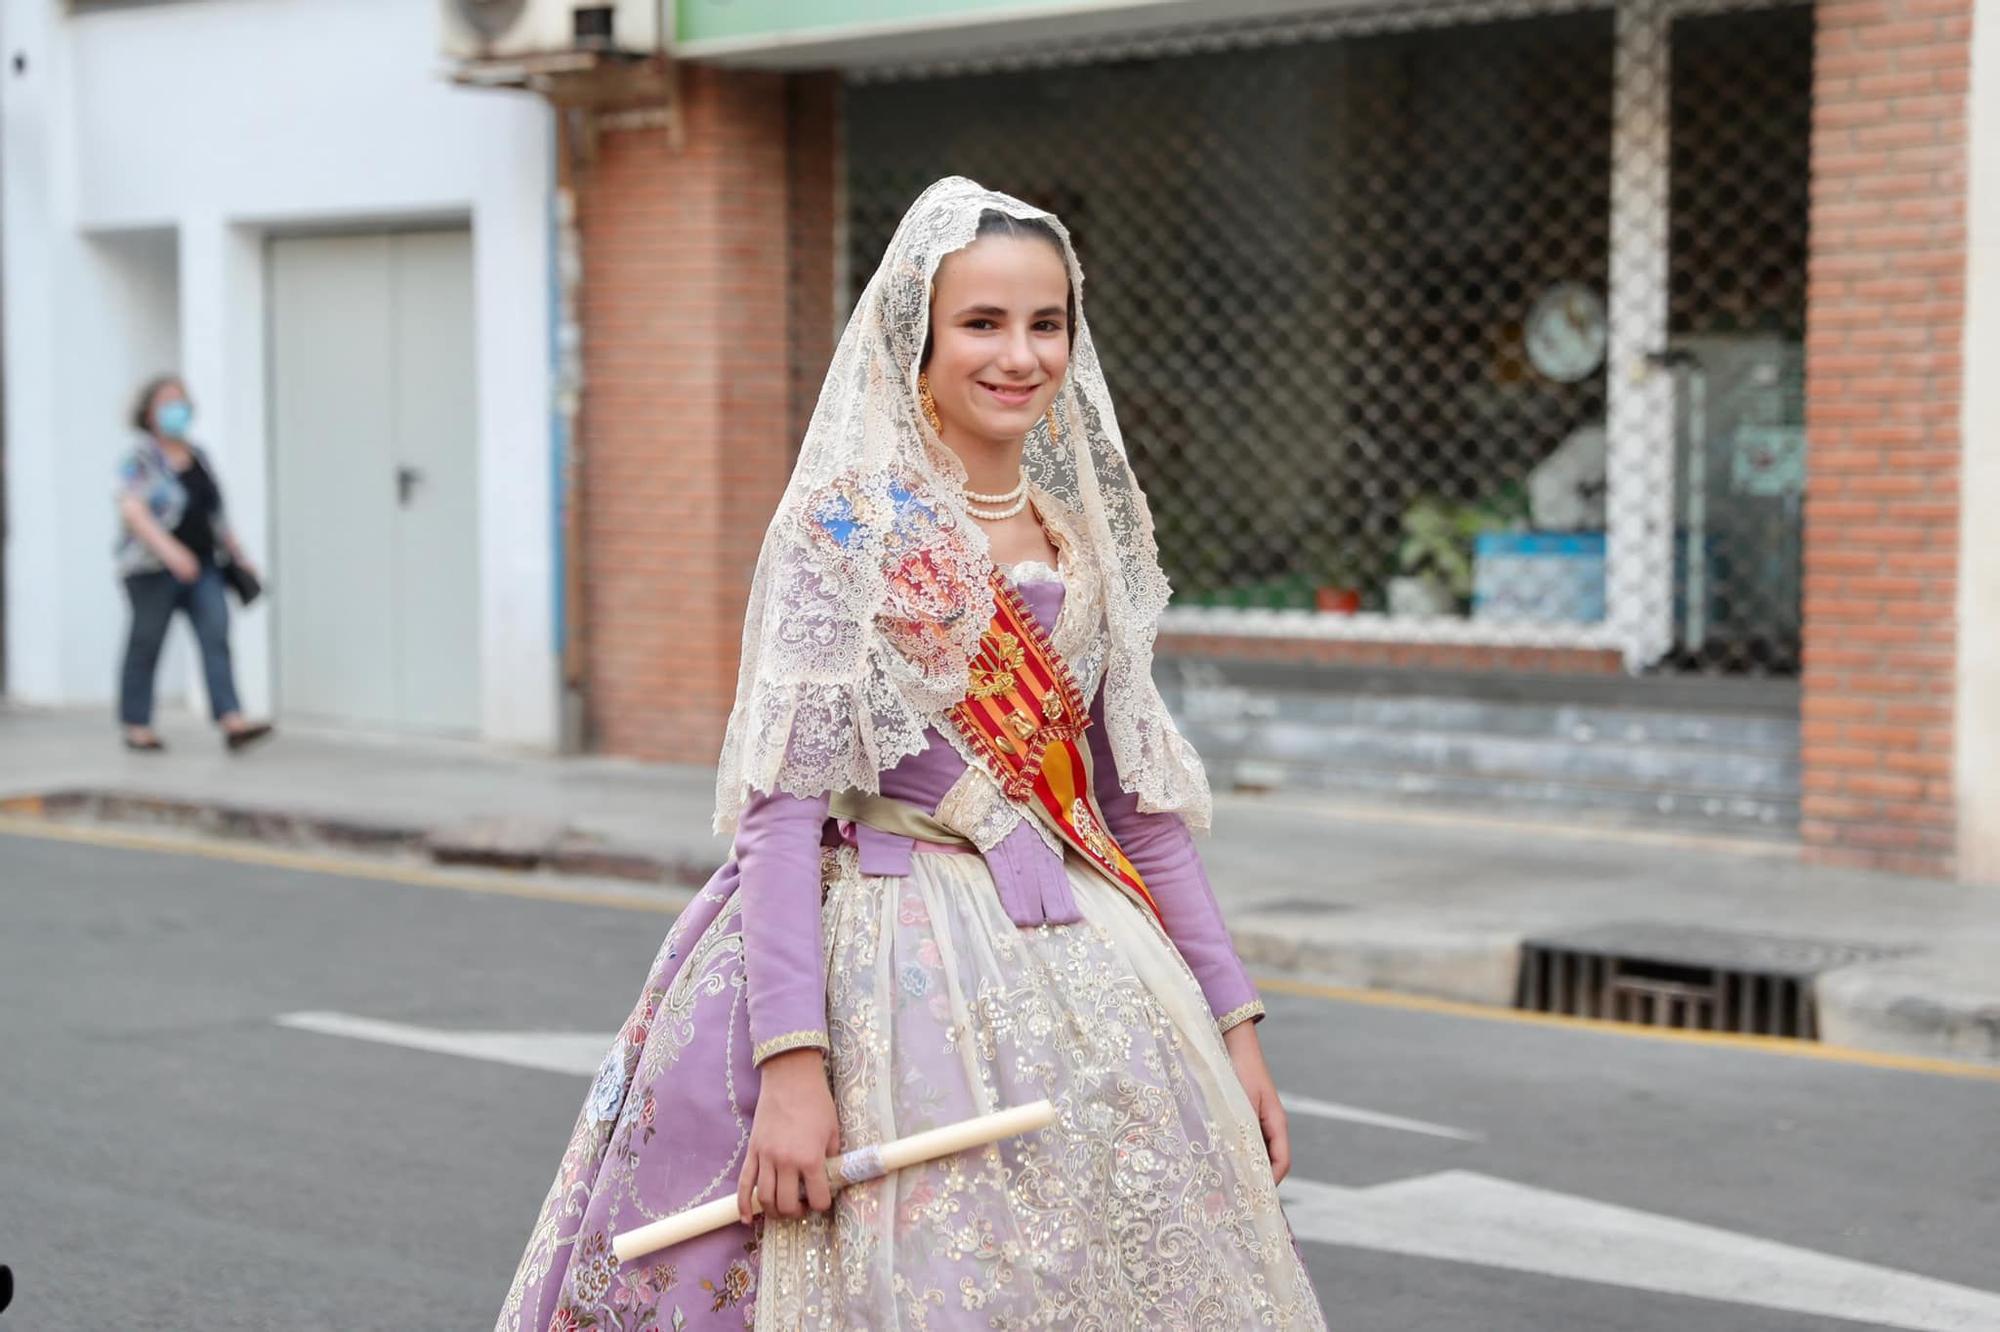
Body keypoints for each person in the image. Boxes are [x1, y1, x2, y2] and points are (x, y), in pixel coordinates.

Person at [497, 179, 1326, 1330]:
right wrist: (794, 1067)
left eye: (1047, 325)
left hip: (1093, 970)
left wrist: (1234, 1032)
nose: (1019, 355)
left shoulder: (1082, 541)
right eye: (982, 323)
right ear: (916, 335)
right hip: (887, 965)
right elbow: (779, 820)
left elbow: (1133, 812)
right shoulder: (845, 527)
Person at [113, 375, 272, 753]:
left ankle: (232, 720)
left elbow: (216, 515)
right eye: (167, 402)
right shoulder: (139, 460)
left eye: (181, 401)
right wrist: (171, 552)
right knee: (147, 642)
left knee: (216, 635)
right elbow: (133, 511)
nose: (176, 409)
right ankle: (138, 725)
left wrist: (239, 556)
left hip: (204, 565)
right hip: (151, 570)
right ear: (149, 413)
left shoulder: (199, 456)